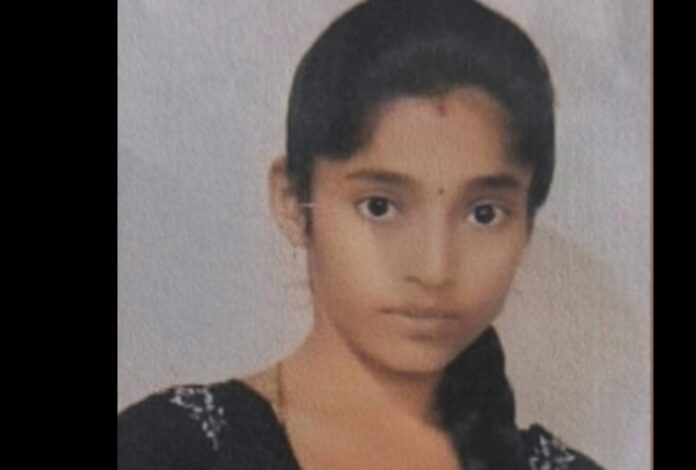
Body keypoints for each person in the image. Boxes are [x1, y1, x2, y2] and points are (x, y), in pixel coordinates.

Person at [118, 0, 605, 468]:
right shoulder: (168, 451)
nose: (434, 269)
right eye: (380, 207)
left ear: (527, 226)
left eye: (483, 214)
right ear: (293, 202)